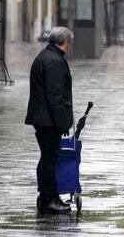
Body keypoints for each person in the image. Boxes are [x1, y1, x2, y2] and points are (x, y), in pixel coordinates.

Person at [25, 26, 74, 214]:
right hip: (48, 120)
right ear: (64, 43)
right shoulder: (54, 62)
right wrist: (63, 122)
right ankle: (49, 200)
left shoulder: (46, 56)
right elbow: (55, 96)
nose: (69, 47)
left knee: (47, 158)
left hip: (43, 118)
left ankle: (46, 196)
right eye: (69, 43)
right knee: (49, 159)